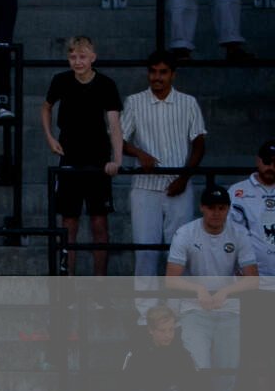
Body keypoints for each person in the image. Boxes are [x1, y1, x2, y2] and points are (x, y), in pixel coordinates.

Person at [167, 186, 259, 391]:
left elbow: (253, 280)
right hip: (194, 311)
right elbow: (171, 279)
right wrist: (198, 289)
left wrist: (226, 292)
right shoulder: (185, 233)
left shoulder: (239, 234)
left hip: (229, 311)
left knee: (227, 373)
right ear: (202, 208)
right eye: (211, 208)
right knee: (199, 369)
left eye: (221, 208)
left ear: (228, 209)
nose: (216, 213)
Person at [121, 52, 207, 288]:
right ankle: (144, 313)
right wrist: (140, 153)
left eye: (163, 72)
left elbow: (199, 143)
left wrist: (184, 177)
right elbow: (119, 139)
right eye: (153, 72)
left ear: (173, 74)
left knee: (180, 250)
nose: (157, 77)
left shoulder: (188, 102)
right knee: (145, 250)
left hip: (179, 186)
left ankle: (181, 309)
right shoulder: (134, 102)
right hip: (145, 187)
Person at [42, 36, 124, 276]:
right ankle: (67, 282)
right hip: (69, 157)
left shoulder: (105, 84)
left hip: (98, 159)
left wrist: (117, 159)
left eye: (82, 56)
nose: (77, 62)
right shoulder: (61, 80)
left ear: (93, 58)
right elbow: (46, 106)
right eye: (73, 57)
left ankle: (99, 285)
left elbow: (115, 124)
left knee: (99, 222)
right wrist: (49, 137)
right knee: (69, 222)